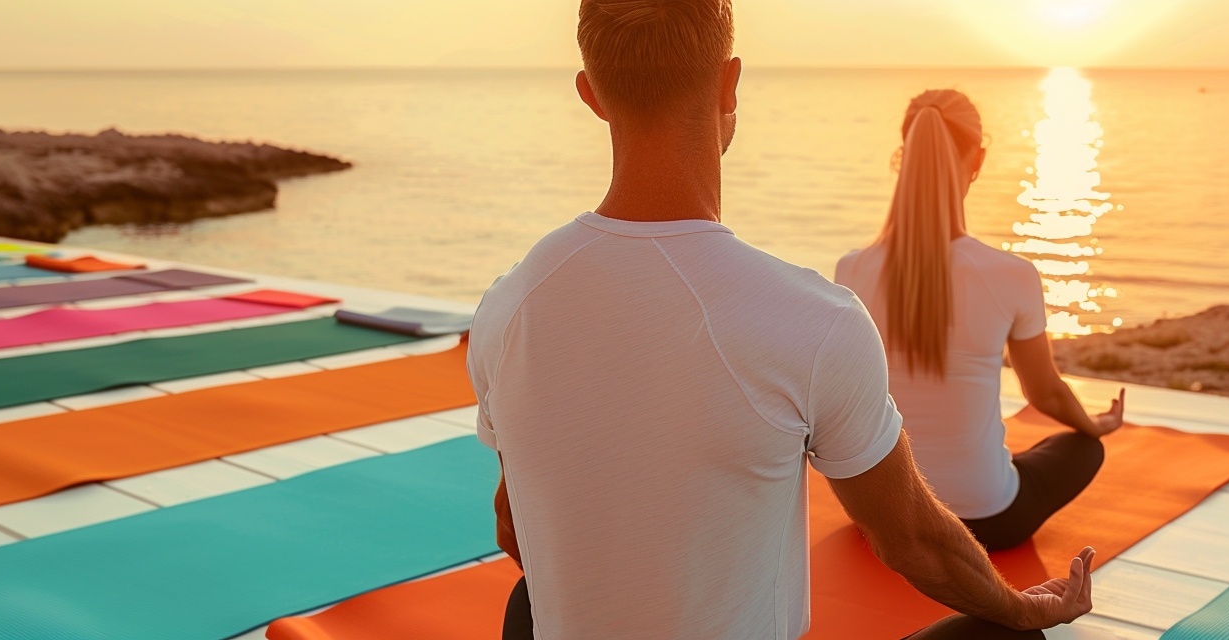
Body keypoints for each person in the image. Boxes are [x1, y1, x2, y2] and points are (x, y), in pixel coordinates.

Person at [468, 1, 1098, 639]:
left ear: (590, 95)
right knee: (1003, 633)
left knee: (529, 602)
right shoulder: (810, 319)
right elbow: (912, 542)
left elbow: (513, 524)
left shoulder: (507, 306)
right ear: (728, 83)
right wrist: (1026, 607)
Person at [835, 89, 1125, 552]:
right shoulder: (1012, 275)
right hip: (985, 526)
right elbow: (1044, 392)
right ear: (979, 158)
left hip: (882, 521)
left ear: (904, 157)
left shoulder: (851, 269)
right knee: (1082, 448)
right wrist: (1096, 425)